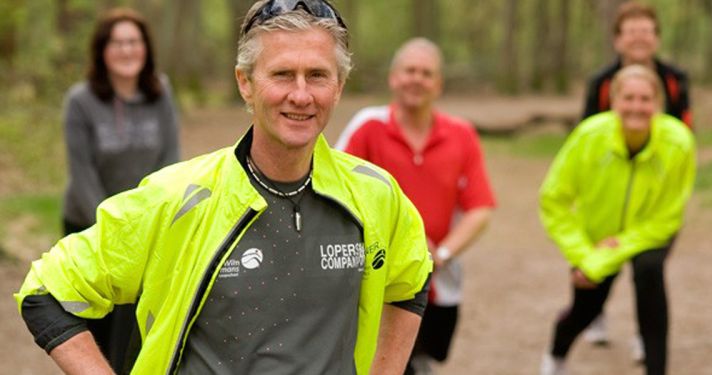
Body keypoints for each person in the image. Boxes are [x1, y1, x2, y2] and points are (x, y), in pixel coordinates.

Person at [16, 1, 432, 373]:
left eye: (318, 75)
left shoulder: (377, 195)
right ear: (245, 83)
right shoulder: (177, 198)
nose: (301, 95)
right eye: (283, 74)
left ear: (339, 86)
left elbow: (411, 281)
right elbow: (46, 290)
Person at [336, 38, 496, 375]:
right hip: (378, 274)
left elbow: (480, 208)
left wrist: (443, 254)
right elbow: (338, 191)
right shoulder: (368, 127)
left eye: (426, 73)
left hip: (441, 276)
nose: (416, 79)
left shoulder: (461, 134)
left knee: (435, 352)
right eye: (409, 71)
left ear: (438, 84)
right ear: (394, 78)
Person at [538, 64, 696, 375]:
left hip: (649, 233)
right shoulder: (588, 136)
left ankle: (655, 368)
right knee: (585, 309)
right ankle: (556, 355)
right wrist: (586, 257)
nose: (637, 107)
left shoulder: (679, 142)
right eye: (629, 98)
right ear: (613, 102)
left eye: (645, 99)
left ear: (658, 104)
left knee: (649, 273)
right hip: (594, 238)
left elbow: (669, 216)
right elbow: (553, 200)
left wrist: (619, 245)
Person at [57, 8, 182, 373]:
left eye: (134, 41)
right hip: (91, 227)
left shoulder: (162, 92)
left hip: (147, 231)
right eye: (117, 43)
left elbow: (170, 164)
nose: (127, 50)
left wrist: (152, 227)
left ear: (145, 49)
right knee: (95, 330)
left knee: (134, 331)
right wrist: (115, 235)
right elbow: (82, 178)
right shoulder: (80, 102)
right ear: (102, 51)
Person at [582, 1, 691, 128]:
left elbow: (686, 129)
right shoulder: (601, 83)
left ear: (657, 39)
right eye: (632, 32)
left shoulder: (675, 80)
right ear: (617, 40)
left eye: (645, 32)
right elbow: (587, 129)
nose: (639, 38)